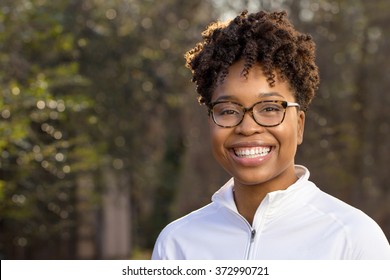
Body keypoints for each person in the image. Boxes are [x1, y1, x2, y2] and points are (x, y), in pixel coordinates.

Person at [151, 10, 390, 259]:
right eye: (228, 110)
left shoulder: (352, 239)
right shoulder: (177, 244)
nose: (247, 127)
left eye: (269, 108)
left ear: (299, 126)